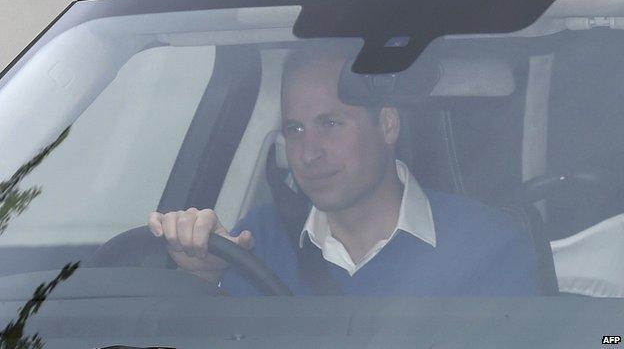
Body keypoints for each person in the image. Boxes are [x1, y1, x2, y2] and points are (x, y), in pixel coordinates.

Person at [148, 44, 540, 296]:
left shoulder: (489, 245)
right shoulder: (257, 239)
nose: (308, 152)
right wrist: (205, 278)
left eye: (330, 123)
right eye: (295, 129)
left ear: (387, 125)